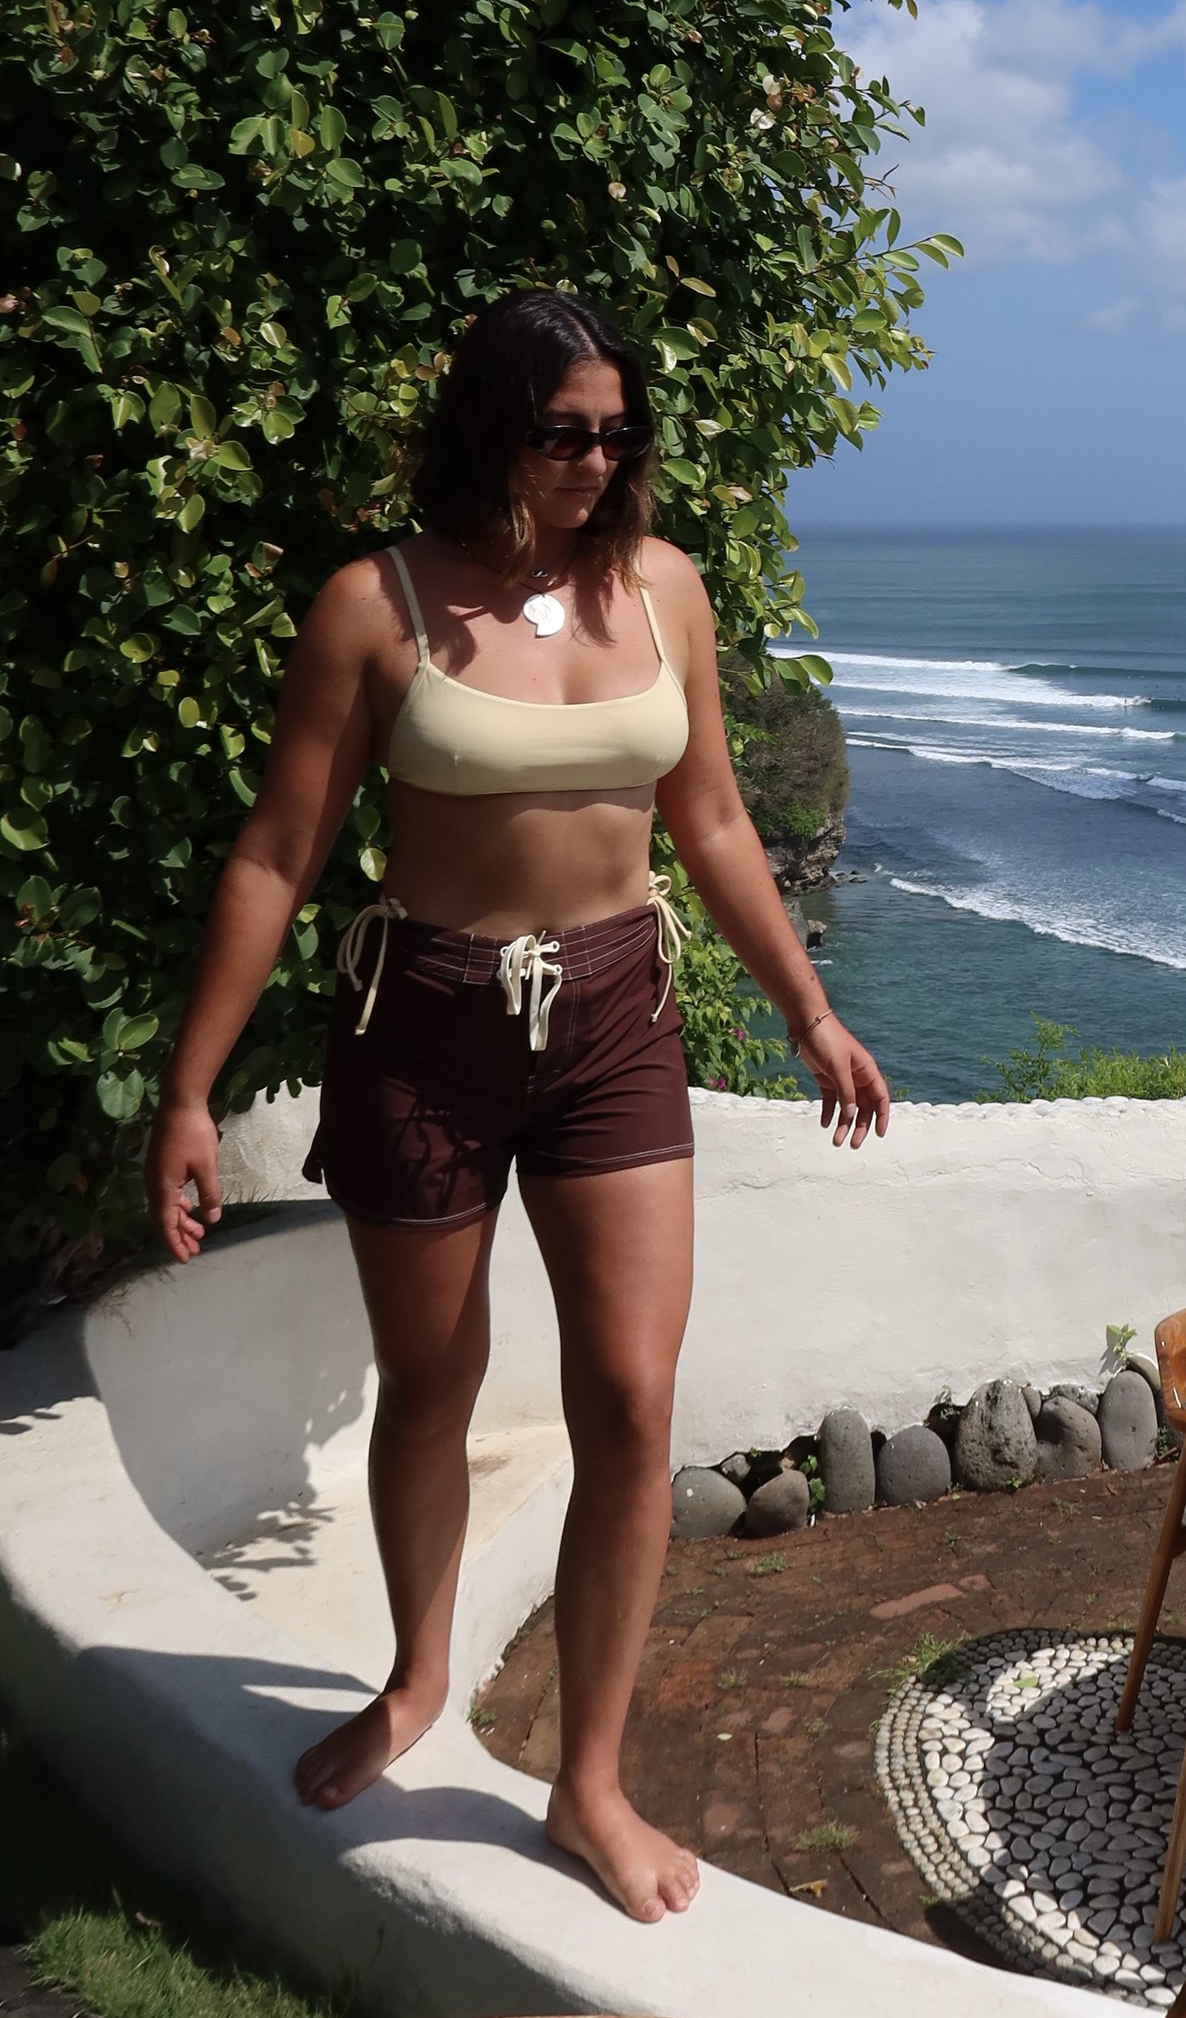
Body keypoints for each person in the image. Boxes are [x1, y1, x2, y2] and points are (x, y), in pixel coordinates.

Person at [143, 287, 889, 1926]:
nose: (596, 459)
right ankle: (418, 1676)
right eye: (563, 432)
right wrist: (188, 1088)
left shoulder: (664, 588)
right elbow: (278, 851)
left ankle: (589, 1780)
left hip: (616, 1016)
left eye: (619, 432)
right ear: (490, 429)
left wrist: (811, 1010)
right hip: (425, 1022)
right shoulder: (378, 605)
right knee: (433, 1382)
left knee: (631, 1393)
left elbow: (711, 818)